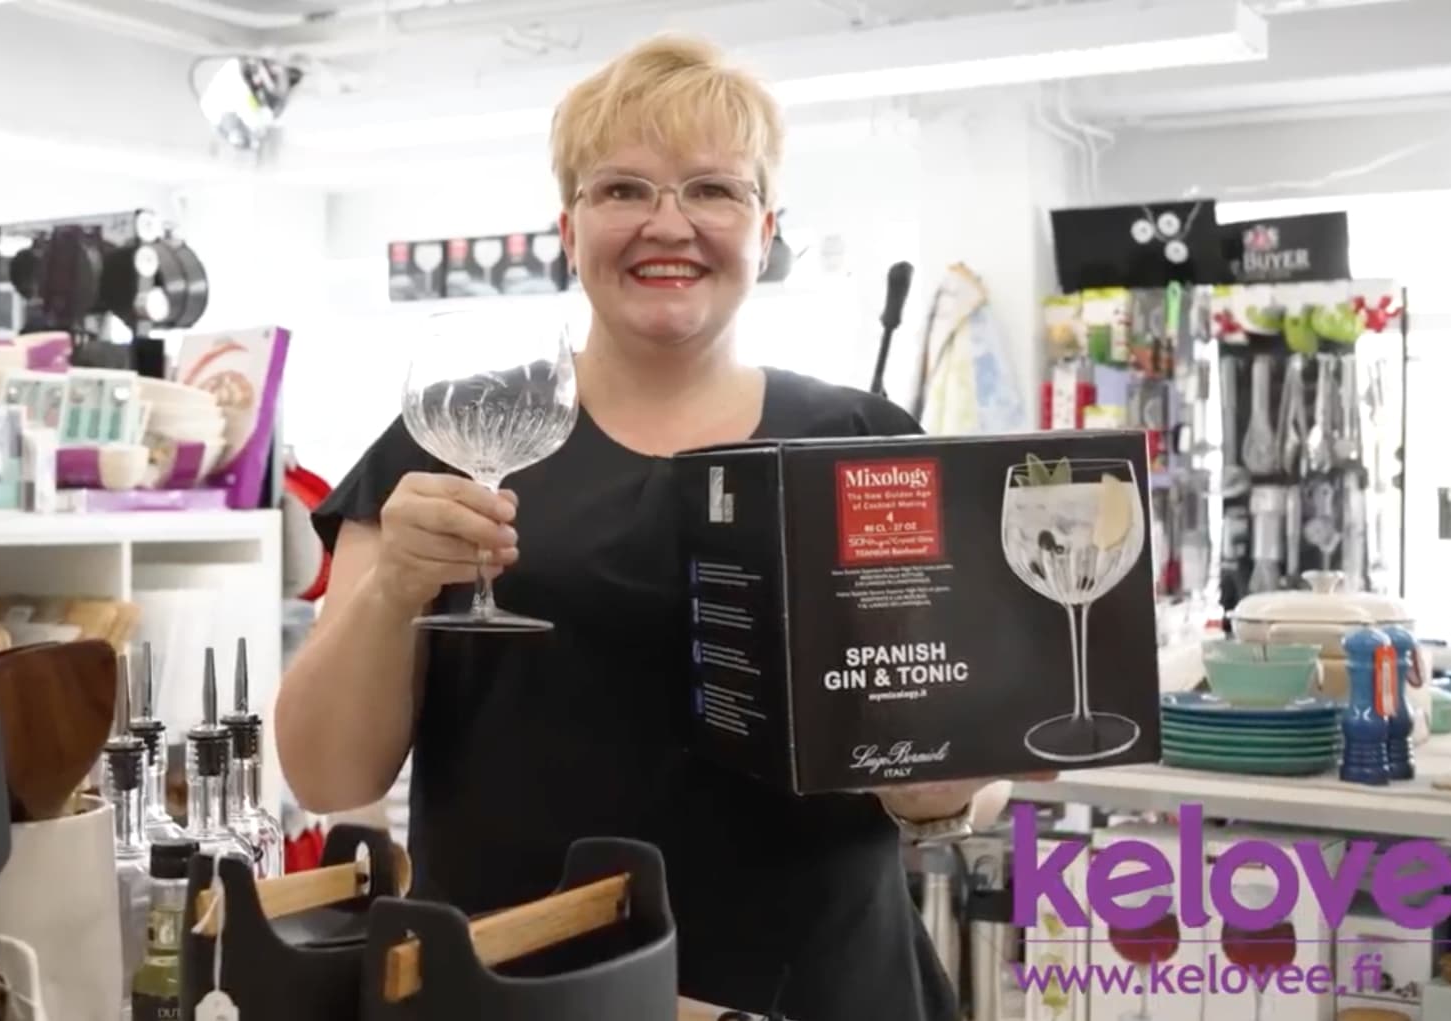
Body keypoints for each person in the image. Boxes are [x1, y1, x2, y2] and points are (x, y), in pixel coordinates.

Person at [276, 34, 1040, 1020]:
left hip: (815, 985)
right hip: (523, 988)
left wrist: (946, 789)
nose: (667, 224)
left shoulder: (863, 442)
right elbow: (327, 772)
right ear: (569, 225)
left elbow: (966, 764)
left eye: (713, 190)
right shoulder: (452, 438)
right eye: (623, 190)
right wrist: (390, 591)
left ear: (766, 227)